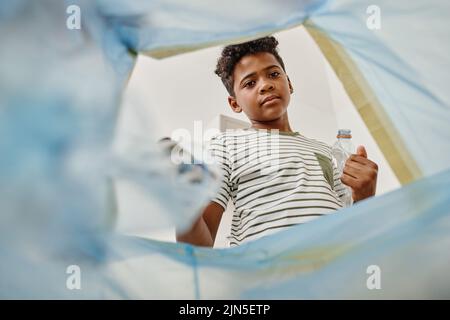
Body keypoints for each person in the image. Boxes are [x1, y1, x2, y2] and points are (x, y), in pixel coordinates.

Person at [176, 36, 378, 247]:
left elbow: (356, 236)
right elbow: (198, 249)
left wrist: (364, 198)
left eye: (273, 74)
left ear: (289, 83)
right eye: (250, 83)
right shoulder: (225, 146)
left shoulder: (328, 152)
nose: (265, 85)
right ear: (235, 103)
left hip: (336, 272)